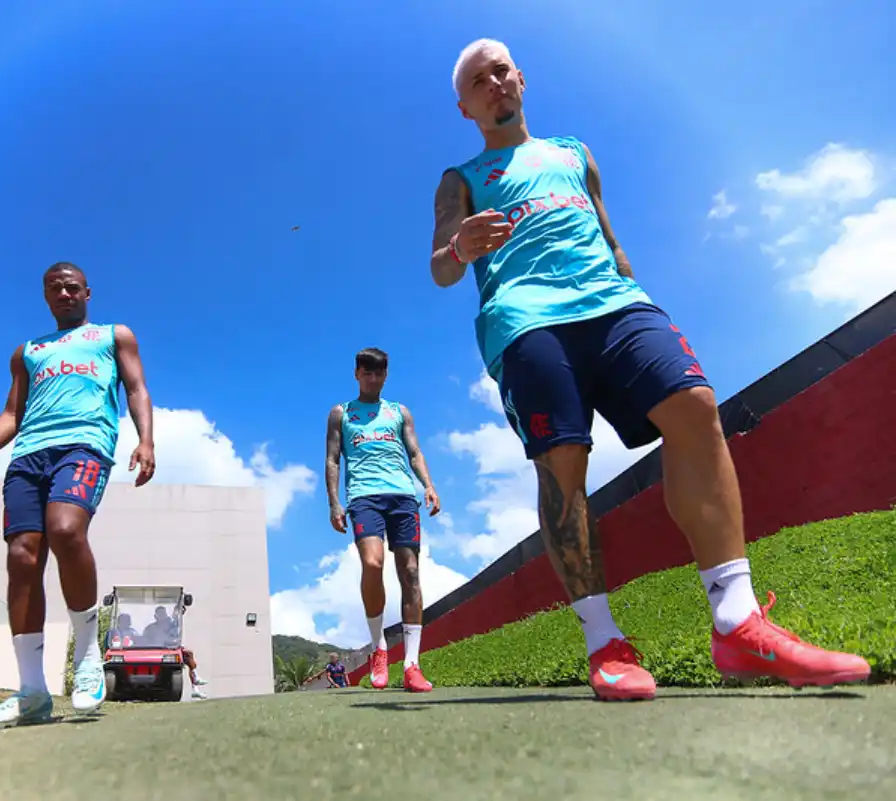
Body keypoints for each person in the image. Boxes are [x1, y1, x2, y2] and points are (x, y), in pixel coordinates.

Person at [429, 39, 872, 701]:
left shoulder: (574, 155)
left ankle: (737, 622)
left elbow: (611, 238)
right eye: (477, 81)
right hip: (526, 321)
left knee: (695, 406)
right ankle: (603, 640)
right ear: (464, 106)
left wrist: (635, 289)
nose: (493, 84)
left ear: (520, 78)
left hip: (615, 304)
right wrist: (460, 245)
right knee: (564, 462)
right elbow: (440, 264)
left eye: (500, 71)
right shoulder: (460, 178)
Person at [0, 261, 156, 728]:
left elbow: (136, 387)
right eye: (55, 288)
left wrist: (145, 439)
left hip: (85, 445)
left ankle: (88, 656)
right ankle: (32, 693)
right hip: (28, 455)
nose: (65, 293)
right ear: (45, 296)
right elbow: (12, 413)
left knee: (66, 530)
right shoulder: (28, 352)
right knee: (22, 558)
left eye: (72, 287)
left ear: (87, 292)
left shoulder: (113, 335)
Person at [324, 348, 441, 693]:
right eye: (367, 373)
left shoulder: (398, 412)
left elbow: (415, 451)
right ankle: (379, 649)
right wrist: (334, 503)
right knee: (372, 564)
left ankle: (412, 665)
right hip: (363, 497)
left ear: (385, 376)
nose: (373, 379)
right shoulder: (341, 413)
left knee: (410, 572)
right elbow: (332, 460)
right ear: (357, 374)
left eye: (379, 374)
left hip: (403, 496)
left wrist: (429, 486)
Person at [142, 605, 209, 699]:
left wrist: (179, 611)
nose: (162, 616)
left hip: (169, 649)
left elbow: (176, 620)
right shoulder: (150, 628)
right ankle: (195, 680)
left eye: (163, 614)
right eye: (160, 614)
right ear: (156, 616)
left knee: (188, 655)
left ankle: (195, 687)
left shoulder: (171, 624)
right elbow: (144, 640)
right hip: (153, 651)